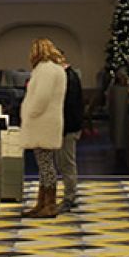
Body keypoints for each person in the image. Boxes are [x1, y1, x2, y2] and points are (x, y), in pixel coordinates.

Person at [20, 38, 68, 218]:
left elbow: (42, 97)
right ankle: (42, 203)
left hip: (42, 121)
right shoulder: (56, 69)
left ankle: (48, 204)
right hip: (49, 121)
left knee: (46, 165)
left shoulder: (45, 70)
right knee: (45, 164)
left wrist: (30, 113)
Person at [56, 61, 84, 212]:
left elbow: (68, 106)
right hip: (69, 126)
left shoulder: (69, 78)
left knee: (67, 162)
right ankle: (69, 194)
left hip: (68, 127)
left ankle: (69, 197)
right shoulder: (70, 76)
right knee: (65, 162)